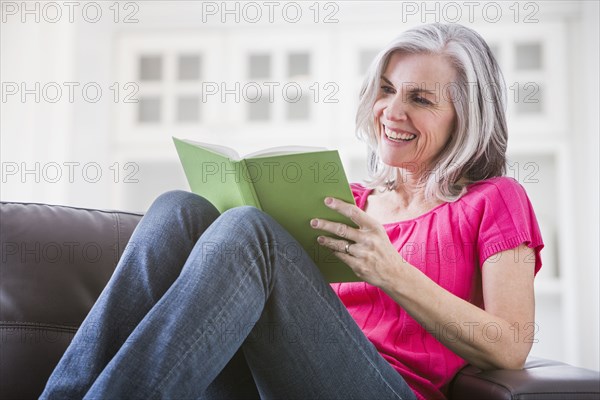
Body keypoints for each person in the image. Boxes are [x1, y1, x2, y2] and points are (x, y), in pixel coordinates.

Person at [40, 23, 543, 400]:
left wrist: (390, 272)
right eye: (387, 89)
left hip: (388, 389)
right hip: (281, 380)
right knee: (179, 209)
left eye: (421, 99)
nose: (392, 111)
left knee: (249, 232)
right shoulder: (350, 201)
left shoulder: (494, 200)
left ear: (466, 115)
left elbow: (510, 346)